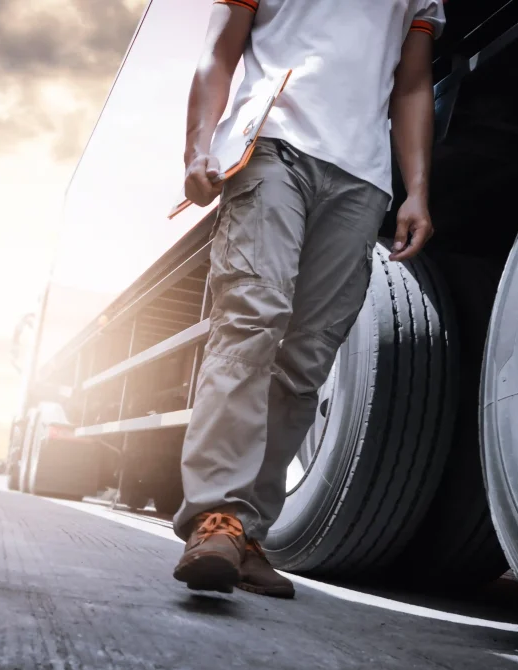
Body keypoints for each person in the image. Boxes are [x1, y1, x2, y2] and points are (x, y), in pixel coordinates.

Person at [172, 0, 445, 598]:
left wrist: (416, 191)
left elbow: (413, 83)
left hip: (362, 178)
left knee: (306, 360)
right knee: (251, 323)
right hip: (271, 145)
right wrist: (197, 149)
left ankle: (246, 533)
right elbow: (220, 50)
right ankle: (214, 519)